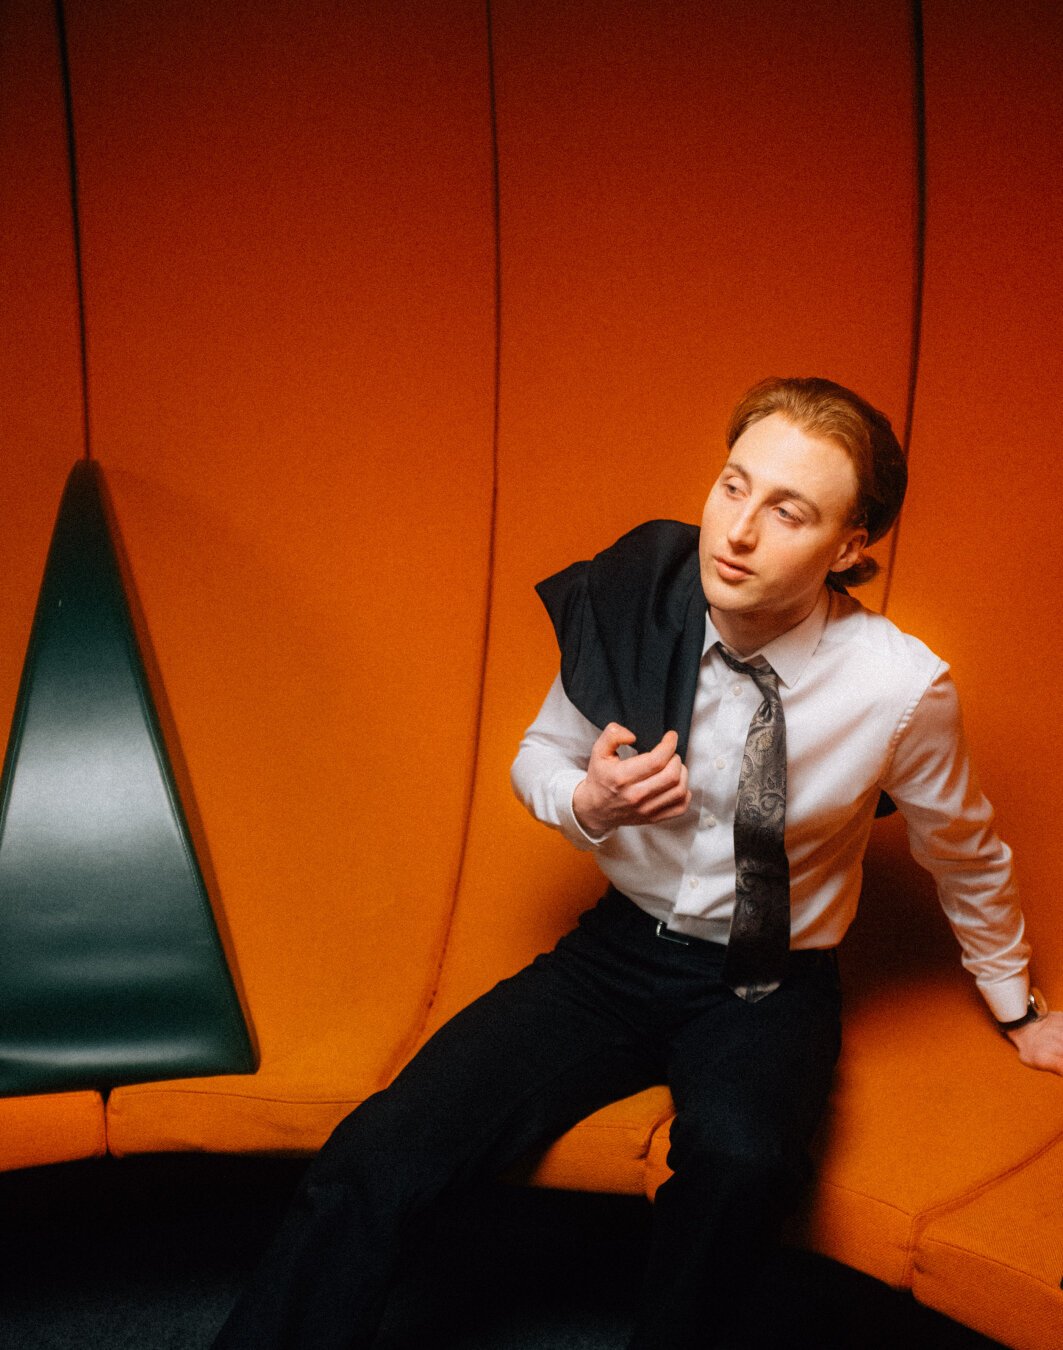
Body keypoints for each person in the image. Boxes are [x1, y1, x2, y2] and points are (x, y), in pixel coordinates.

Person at [212, 377, 1063, 1350]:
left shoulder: (899, 688)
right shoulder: (635, 604)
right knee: (383, 1147)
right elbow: (539, 754)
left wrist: (1017, 1007)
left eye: (788, 512)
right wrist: (587, 803)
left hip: (769, 980)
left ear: (848, 546)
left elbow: (963, 849)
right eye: (733, 485)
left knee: (742, 1163)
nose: (737, 531)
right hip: (614, 959)